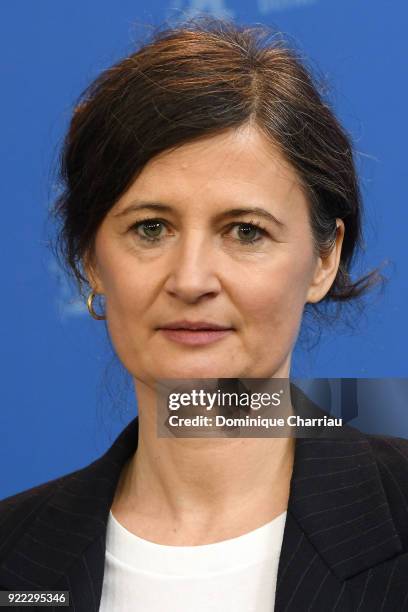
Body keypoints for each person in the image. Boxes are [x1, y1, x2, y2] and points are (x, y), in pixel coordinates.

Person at [1, 16, 407, 612]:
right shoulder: (14, 551)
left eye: (245, 231)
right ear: (90, 258)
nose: (191, 280)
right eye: (151, 228)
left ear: (324, 258)